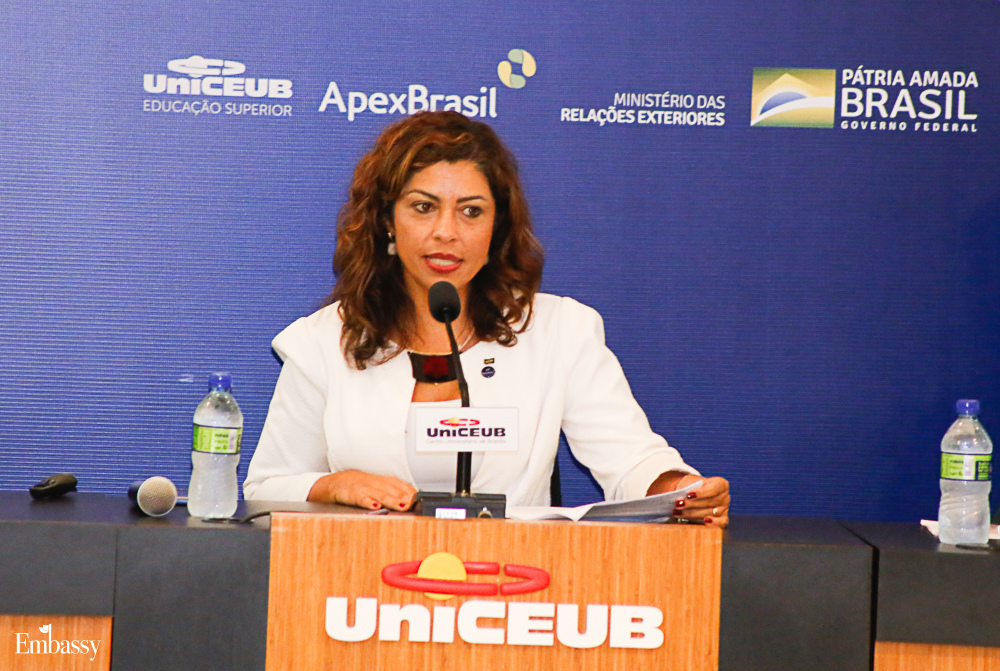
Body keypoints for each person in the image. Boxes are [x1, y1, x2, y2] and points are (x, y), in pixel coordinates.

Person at [243, 111, 730, 525]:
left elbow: (632, 460)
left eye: (471, 211)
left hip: (518, 584)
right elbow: (266, 490)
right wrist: (336, 485)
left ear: (497, 227)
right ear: (387, 220)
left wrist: (682, 491)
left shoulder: (559, 332)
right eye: (423, 207)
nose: (446, 232)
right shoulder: (324, 341)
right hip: (362, 585)